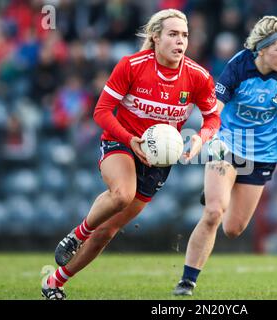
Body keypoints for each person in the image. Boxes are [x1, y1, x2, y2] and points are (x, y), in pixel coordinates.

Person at [41, 8, 220, 300]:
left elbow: (213, 118)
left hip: (159, 160)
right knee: (122, 194)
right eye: (173, 34)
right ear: (156, 37)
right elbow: (100, 111)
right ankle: (77, 235)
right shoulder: (132, 65)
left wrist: (201, 138)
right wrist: (130, 139)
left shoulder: (198, 76)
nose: (180, 41)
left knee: (107, 232)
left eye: (184, 35)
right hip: (121, 142)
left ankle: (54, 282)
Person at [173, 16, 277, 296]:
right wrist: (206, 138)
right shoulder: (238, 66)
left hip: (263, 155)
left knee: (233, 228)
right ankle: (187, 282)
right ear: (261, 49)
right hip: (230, 145)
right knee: (213, 212)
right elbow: (216, 108)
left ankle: (218, 192)